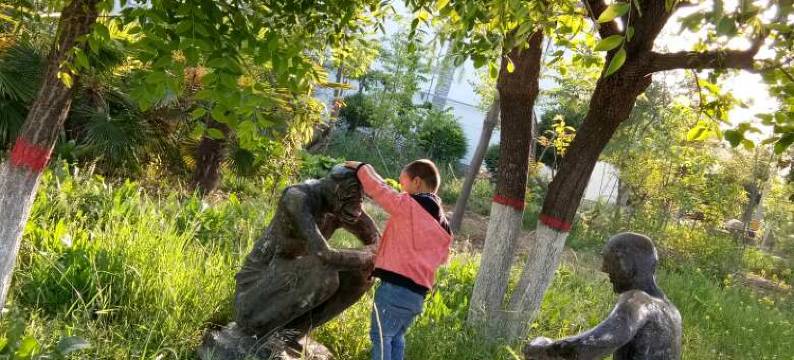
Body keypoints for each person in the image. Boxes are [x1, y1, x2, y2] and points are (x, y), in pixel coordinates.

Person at [345, 159, 453, 360]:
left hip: (395, 289)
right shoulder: (443, 225)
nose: (401, 190)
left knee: (381, 336)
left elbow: (381, 191)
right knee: (395, 338)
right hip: (417, 294)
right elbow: (442, 257)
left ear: (417, 182)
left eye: (403, 184)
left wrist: (363, 168)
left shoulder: (409, 206)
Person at [523, 232, 682, 360]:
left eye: (608, 260)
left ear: (625, 263)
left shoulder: (638, 301)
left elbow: (596, 342)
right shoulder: (672, 311)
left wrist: (544, 349)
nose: (604, 269)